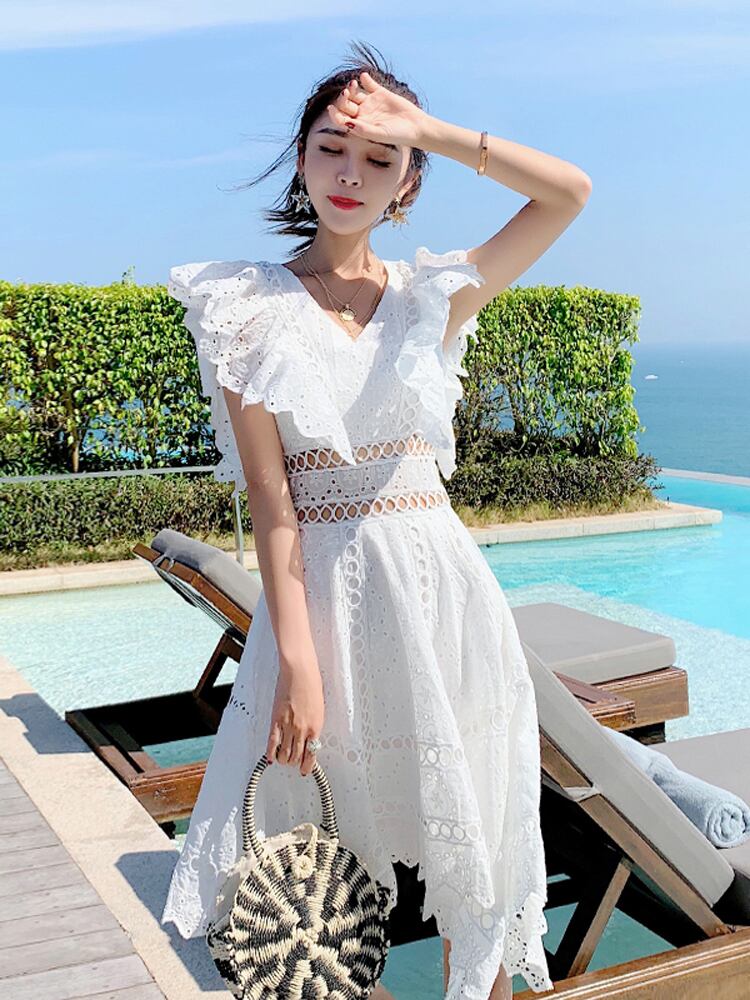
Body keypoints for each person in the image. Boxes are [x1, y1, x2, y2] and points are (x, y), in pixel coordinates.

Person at [161, 40, 591, 1000]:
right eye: (331, 148)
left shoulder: (433, 296)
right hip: (321, 616)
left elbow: (568, 193)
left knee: (473, 851)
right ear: (301, 159)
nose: (350, 174)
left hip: (443, 600)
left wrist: (429, 127)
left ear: (409, 180)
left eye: (380, 157)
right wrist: (298, 662)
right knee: (307, 863)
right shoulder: (245, 307)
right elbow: (272, 500)